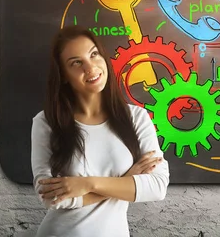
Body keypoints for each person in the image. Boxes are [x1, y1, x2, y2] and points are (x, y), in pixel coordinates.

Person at [31, 25, 169, 237]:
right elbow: (50, 198)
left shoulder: (136, 118)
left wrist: (86, 184)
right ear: (64, 75)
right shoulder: (47, 122)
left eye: (94, 54)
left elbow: (157, 186)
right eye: (76, 62)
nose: (90, 67)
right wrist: (127, 179)